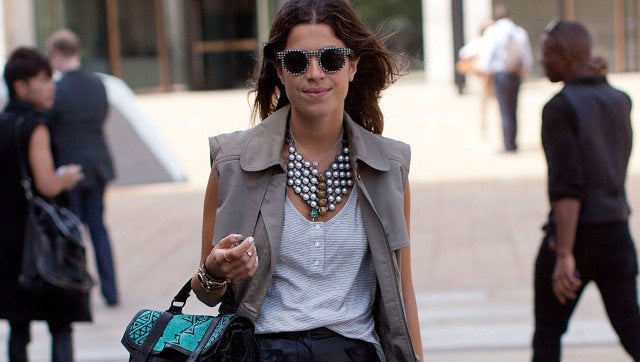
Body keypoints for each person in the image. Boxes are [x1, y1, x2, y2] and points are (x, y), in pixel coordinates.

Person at [190, 0, 423, 360]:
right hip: (262, 350)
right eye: (298, 61)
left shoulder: (388, 166)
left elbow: (402, 291)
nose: (314, 73)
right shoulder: (234, 162)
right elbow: (207, 292)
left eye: (330, 59)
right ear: (280, 71)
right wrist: (216, 270)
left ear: (352, 65)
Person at [533, 20, 640, 361]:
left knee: (548, 335)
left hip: (575, 237)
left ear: (565, 57)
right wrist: (602, 79)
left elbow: (567, 185)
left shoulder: (559, 108)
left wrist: (564, 254)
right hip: (615, 234)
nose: (542, 60)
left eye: (547, 53)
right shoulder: (620, 99)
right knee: (632, 329)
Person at [0, 47, 88, 361]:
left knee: (17, 326)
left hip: (9, 241)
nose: (51, 86)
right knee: (60, 325)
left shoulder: (4, 122)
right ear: (21, 86)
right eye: (43, 79)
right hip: (42, 242)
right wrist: (66, 177)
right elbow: (46, 184)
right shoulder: (34, 126)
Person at [46, 28, 119, 307]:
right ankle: (111, 292)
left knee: (73, 232)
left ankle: (78, 290)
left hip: (70, 170)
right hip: (98, 165)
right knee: (99, 228)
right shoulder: (98, 85)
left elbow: (51, 129)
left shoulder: (58, 90)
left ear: (56, 54)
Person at [476, 4, 533, 152]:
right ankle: (512, 141)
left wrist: (484, 73)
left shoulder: (493, 31)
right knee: (513, 108)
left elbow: (487, 56)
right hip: (515, 73)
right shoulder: (519, 32)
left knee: (504, 109)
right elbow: (526, 56)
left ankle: (507, 144)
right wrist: (525, 70)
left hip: (500, 74)